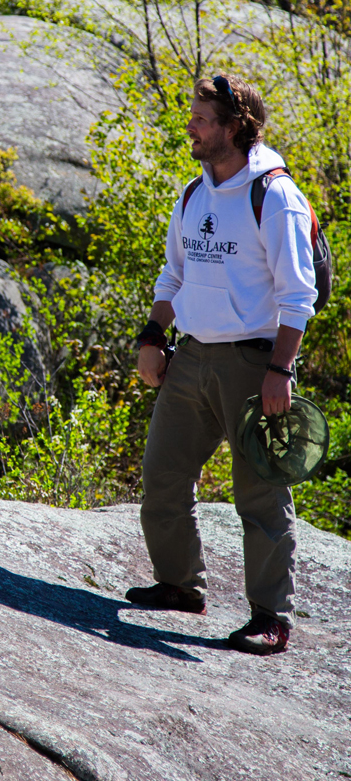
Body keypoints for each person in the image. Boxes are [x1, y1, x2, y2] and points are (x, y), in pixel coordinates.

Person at [127, 74, 318, 655]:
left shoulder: (275, 195)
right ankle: (181, 586)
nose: (192, 125)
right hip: (191, 359)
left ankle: (271, 617)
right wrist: (154, 336)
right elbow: (174, 275)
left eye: (203, 118)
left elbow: (298, 295)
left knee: (259, 494)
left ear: (235, 127)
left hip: (252, 364)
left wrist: (280, 371)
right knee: (162, 474)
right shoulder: (193, 193)